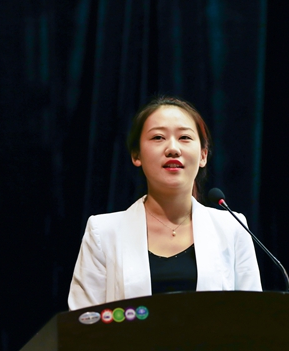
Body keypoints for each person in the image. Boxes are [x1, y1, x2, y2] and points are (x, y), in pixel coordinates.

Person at [68, 95, 262, 310]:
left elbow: (251, 315)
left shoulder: (232, 228)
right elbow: (82, 320)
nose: (173, 149)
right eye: (158, 137)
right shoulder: (103, 232)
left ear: (203, 155)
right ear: (136, 154)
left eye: (185, 137)